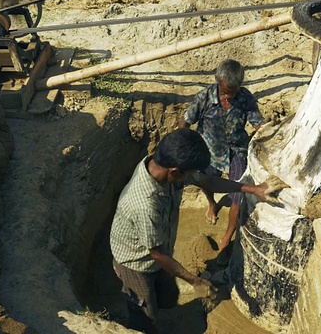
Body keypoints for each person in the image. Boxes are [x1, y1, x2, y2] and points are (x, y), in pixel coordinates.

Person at [109, 128, 281, 334]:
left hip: (157, 247)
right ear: (175, 171)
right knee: (145, 314)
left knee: (168, 297)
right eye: (188, 175)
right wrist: (196, 281)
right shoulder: (145, 204)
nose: (191, 178)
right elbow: (157, 254)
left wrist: (252, 189)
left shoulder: (160, 164)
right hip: (135, 261)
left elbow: (207, 181)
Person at [179, 59, 263, 253]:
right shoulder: (204, 98)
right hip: (208, 149)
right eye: (225, 91)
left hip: (237, 150)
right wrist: (183, 146)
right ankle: (212, 204)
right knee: (206, 181)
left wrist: (265, 134)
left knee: (238, 193)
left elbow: (257, 123)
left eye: (233, 92)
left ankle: (227, 237)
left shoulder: (245, 98)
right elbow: (185, 122)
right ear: (217, 80)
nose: (229, 96)